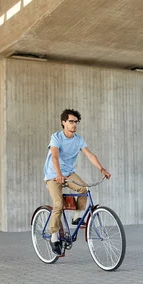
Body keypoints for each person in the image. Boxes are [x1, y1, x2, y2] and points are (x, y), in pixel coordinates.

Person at [43, 109, 111, 256]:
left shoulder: (78, 139)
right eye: (71, 121)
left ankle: (77, 216)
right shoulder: (57, 138)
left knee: (83, 189)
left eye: (76, 122)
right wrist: (59, 175)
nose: (74, 124)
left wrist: (102, 169)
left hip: (68, 173)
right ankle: (54, 236)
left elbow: (90, 155)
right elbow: (54, 157)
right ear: (63, 122)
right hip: (53, 175)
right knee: (58, 204)